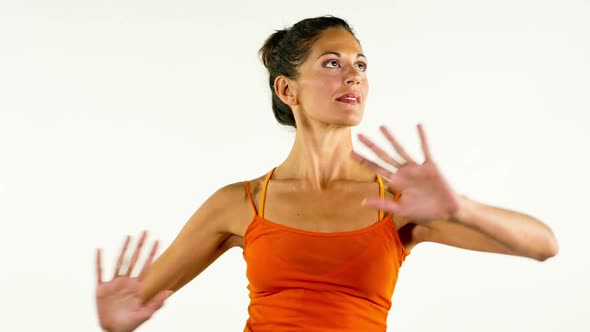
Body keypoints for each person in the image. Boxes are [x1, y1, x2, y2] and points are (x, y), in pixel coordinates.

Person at [94, 16, 559, 332]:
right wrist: (116, 326)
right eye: (332, 63)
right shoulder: (239, 203)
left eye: (360, 65)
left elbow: (543, 246)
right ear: (287, 89)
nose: (352, 75)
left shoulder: (397, 202)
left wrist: (462, 208)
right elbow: (135, 303)